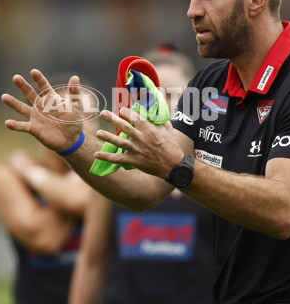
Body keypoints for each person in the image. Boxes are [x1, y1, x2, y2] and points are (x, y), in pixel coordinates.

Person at [2, 0, 290, 303]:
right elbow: (144, 189)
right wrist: (75, 143)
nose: (192, 10)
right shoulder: (210, 83)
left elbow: (284, 210)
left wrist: (180, 166)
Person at [69, 45, 215, 304]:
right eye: (148, 94)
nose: (159, 103)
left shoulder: (214, 170)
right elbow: (92, 262)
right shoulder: (113, 167)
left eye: (172, 95)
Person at [0, 81, 97, 304]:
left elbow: (76, 199)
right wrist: (77, 179)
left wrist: (33, 173)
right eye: (61, 115)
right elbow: (45, 238)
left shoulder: (114, 175)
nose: (76, 123)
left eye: (86, 115)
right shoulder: (11, 177)